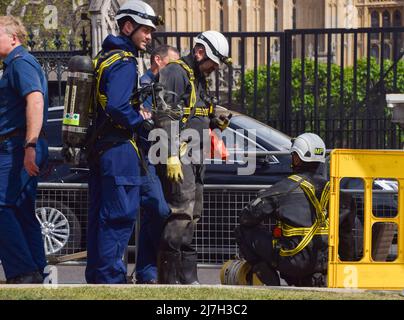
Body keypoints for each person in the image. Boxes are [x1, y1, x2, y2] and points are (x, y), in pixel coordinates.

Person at [85, 0, 163, 284]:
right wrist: (140, 120)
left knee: (101, 216)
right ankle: (110, 279)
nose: (149, 37)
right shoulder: (124, 62)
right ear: (128, 26)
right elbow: (118, 106)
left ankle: (97, 276)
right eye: (145, 30)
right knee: (119, 216)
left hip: (101, 148)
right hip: (118, 149)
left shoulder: (103, 57)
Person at [155, 30, 232, 284]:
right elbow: (166, 114)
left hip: (196, 157)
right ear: (200, 52)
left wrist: (214, 119)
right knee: (181, 214)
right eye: (212, 62)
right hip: (180, 156)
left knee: (193, 215)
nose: (214, 68)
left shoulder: (198, 77)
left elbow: (195, 111)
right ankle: (168, 280)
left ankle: (188, 278)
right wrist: (171, 156)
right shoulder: (174, 72)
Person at [235, 133, 356, 287]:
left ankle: (272, 284)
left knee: (243, 230)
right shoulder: (340, 195)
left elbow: (247, 217)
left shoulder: (283, 189)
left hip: (294, 263)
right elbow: (346, 238)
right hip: (327, 264)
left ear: (297, 158)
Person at [0, 16, 49, 284]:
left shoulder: (20, 63)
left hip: (18, 146)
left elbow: (36, 101)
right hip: (19, 144)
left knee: (2, 207)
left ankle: (22, 271)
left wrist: (29, 144)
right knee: (20, 209)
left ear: (13, 38)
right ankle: (35, 270)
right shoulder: (15, 65)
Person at [134, 45, 179, 284]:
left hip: (159, 157)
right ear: (158, 61)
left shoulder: (165, 88)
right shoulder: (145, 87)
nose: (175, 70)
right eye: (171, 64)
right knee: (159, 210)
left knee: (153, 216)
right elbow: (146, 123)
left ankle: (146, 272)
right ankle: (147, 270)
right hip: (145, 158)